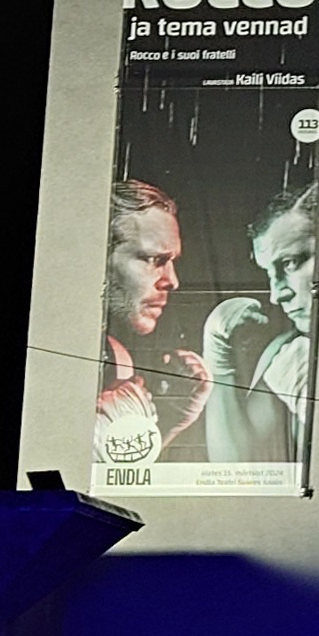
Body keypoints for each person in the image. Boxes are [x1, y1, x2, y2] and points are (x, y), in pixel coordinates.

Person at [205, 179, 319, 463]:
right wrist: (218, 360)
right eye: (270, 272)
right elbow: (234, 469)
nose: (276, 295)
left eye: (290, 263)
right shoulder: (290, 353)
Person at [97, 179, 208, 467]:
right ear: (98, 255)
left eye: (172, 262)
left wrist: (170, 422)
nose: (173, 281)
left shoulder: (117, 360)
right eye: (153, 259)